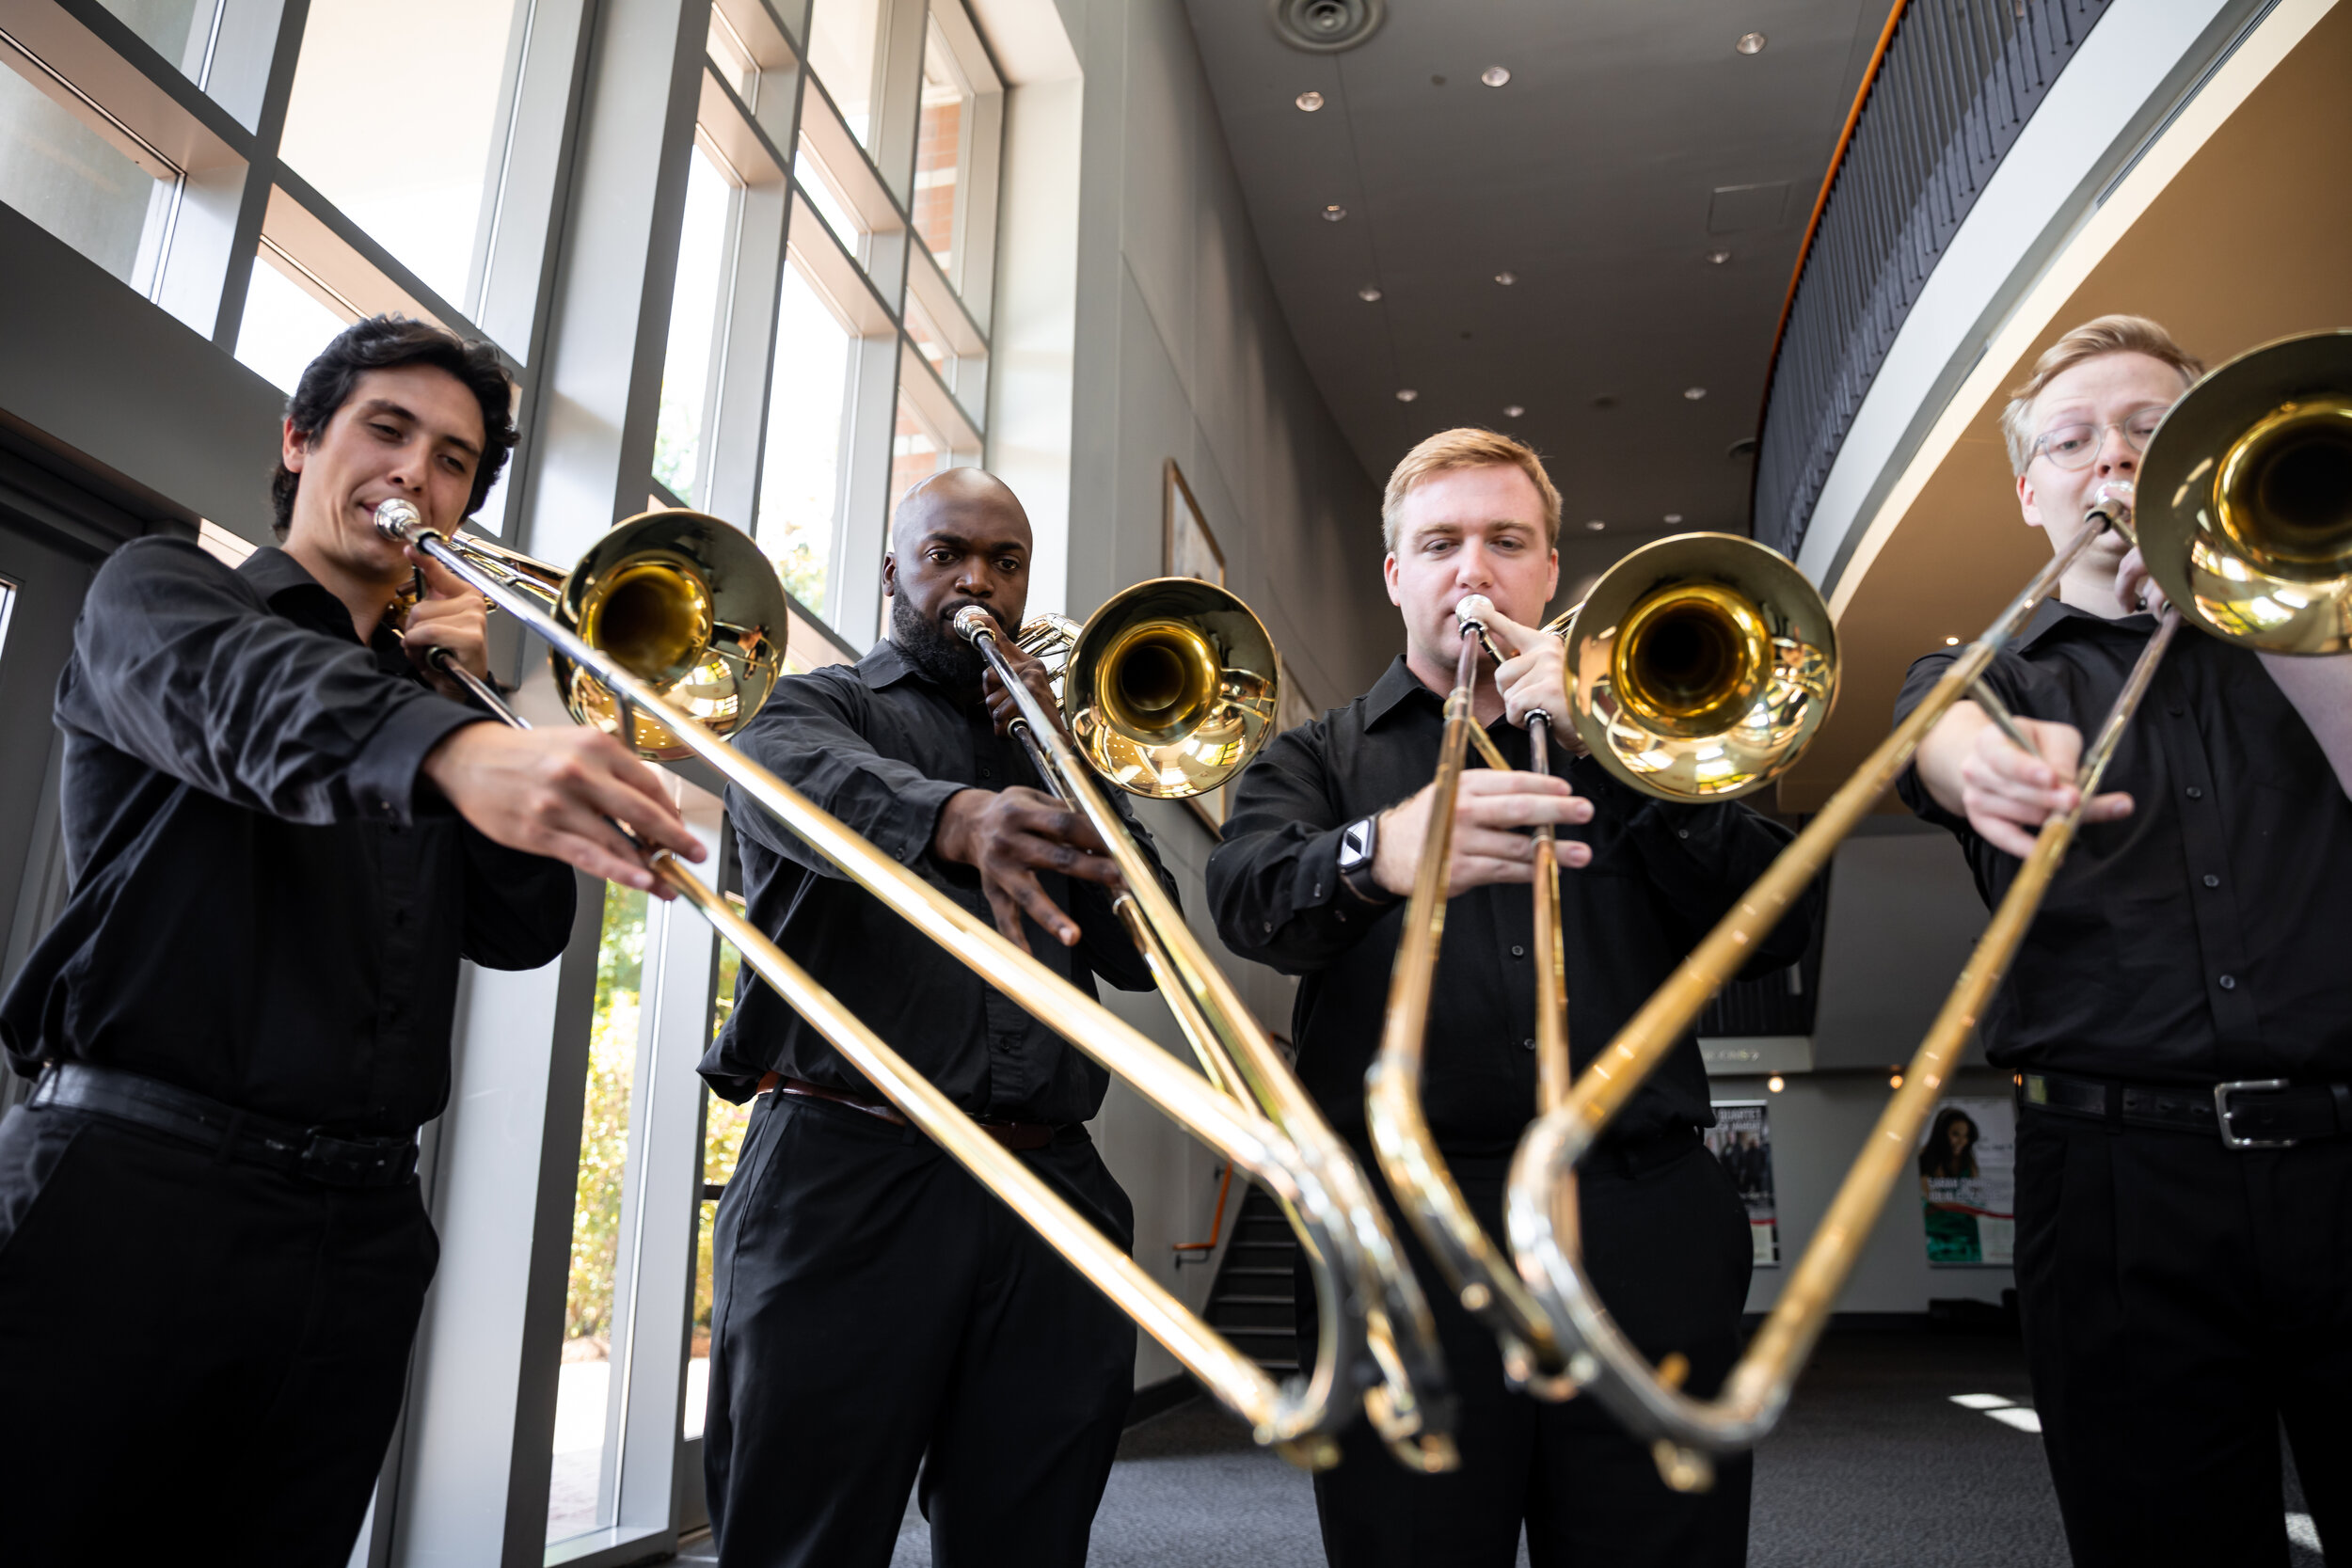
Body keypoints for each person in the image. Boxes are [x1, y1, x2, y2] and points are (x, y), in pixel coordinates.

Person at [0, 315, 703, 1563]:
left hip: (362, 1225)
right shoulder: (167, 593)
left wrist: (488, 700)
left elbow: (520, 925)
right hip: (133, 1191)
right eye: (387, 430)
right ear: (299, 438)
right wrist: (453, 745)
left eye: (451, 460)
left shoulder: (448, 699)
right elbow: (254, 706)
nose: (415, 474)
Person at [1206, 428, 1819, 1567]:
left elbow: (1778, 925)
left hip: (1641, 1215)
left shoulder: (1649, 734)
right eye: (1439, 543)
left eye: (1506, 540)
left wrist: (1626, 754)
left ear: (1549, 571)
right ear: (1395, 574)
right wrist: (1378, 849)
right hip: (1401, 1228)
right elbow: (1243, 899)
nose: (1472, 569)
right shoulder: (1317, 757)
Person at [1896, 313, 2352, 1565]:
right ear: (2030, 488)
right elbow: (1941, 734)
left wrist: (2255, 612)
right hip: (2113, 1181)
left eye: (2150, 433)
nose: (2110, 462)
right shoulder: (1981, 671)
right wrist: (1984, 764)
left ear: (2207, 455)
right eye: (2074, 440)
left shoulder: (2323, 633)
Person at [698, 468, 1178, 1568]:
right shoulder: (808, 706)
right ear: (890, 575)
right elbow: (793, 782)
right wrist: (961, 816)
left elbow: (1144, 948)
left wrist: (1074, 763)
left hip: (1050, 1181)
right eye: (948, 554)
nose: (979, 583)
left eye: (1005, 562)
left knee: (1030, 1530)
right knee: (802, 1533)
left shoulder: (1051, 747)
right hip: (848, 1167)